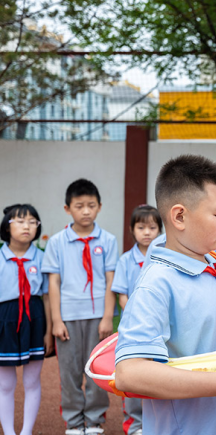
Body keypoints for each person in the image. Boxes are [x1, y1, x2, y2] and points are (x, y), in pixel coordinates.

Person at [114, 154, 216, 435]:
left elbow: (197, 320)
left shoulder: (210, 264)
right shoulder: (156, 283)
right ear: (179, 216)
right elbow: (129, 373)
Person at [42, 179, 117, 435]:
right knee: (69, 373)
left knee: (96, 370)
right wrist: (56, 320)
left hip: (98, 318)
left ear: (99, 207)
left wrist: (108, 317)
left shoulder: (108, 240)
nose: (86, 211)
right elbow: (54, 282)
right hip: (68, 317)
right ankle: (74, 421)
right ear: (67, 209)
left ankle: (94, 419)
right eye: (79, 206)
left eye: (91, 205)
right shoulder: (56, 242)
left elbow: (111, 281)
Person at [0, 204, 52, 435]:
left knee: (32, 381)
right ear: (7, 226)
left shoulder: (42, 258)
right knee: (5, 384)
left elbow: (48, 297)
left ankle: (26, 431)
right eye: (20, 221)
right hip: (4, 320)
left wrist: (49, 330)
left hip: (35, 319)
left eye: (32, 222)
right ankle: (9, 432)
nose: (27, 226)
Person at [111, 205, 163, 435]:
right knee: (132, 373)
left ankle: (156, 422)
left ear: (160, 230)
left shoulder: (163, 258)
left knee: (157, 375)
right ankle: (134, 424)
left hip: (159, 328)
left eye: (152, 227)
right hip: (133, 329)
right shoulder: (125, 260)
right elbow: (122, 294)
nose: (147, 232)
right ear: (132, 230)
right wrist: (137, 313)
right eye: (141, 227)